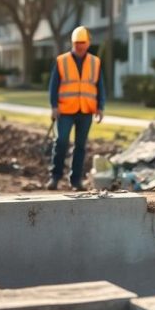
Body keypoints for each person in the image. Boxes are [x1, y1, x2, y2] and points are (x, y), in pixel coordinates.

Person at [47, 26, 104, 191]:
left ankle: (76, 180)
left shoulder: (95, 62)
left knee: (80, 145)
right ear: (72, 43)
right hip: (65, 111)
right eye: (76, 43)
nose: (79, 46)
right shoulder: (61, 61)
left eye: (82, 42)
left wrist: (100, 107)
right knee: (61, 142)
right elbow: (53, 86)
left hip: (86, 110)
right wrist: (54, 106)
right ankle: (55, 177)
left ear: (88, 43)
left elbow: (100, 86)